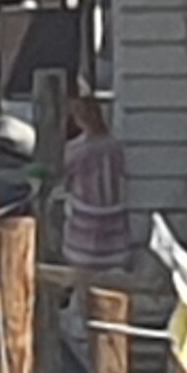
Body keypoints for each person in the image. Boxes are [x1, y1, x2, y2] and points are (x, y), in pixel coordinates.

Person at [56, 89, 138, 277]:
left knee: (82, 270)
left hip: (85, 216)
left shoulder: (77, 150)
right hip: (114, 217)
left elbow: (65, 174)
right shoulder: (114, 146)